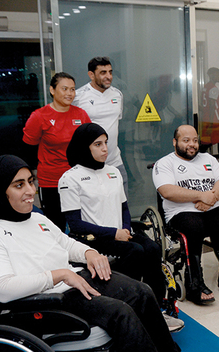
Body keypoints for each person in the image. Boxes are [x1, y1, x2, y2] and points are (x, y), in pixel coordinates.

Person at [0, 155, 205, 352]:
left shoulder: (36, 219)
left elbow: (66, 244)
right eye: (19, 185)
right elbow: (1, 288)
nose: (31, 191)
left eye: (31, 182)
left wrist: (89, 253)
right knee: (120, 312)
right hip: (40, 304)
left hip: (70, 283)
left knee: (142, 293)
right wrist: (59, 275)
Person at [59, 123, 183, 332]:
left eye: (106, 143)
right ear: (84, 147)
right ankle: (129, 308)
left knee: (152, 248)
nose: (105, 148)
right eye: (98, 144)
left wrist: (124, 230)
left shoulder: (114, 172)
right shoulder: (70, 178)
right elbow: (75, 224)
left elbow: (124, 207)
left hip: (119, 234)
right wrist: (114, 233)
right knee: (135, 251)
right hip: (92, 238)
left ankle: (155, 309)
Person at [153, 125, 219, 304]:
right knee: (194, 227)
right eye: (186, 140)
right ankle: (194, 282)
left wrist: (211, 199)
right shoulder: (164, 163)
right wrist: (201, 196)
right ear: (175, 142)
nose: (192, 144)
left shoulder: (208, 158)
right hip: (181, 211)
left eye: (195, 140)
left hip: (211, 207)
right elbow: (167, 191)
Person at [22, 72, 91, 230]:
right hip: (52, 181)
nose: (69, 93)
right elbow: (28, 148)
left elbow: (89, 144)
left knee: (82, 224)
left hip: (78, 179)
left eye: (72, 89)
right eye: (64, 89)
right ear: (52, 90)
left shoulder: (80, 114)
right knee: (55, 226)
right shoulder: (39, 116)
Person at [72, 56, 128, 197]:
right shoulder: (78, 97)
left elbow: (115, 123)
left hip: (115, 162)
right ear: (91, 75)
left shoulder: (117, 94)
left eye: (110, 72)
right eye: (103, 72)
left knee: (122, 204)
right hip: (89, 165)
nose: (108, 76)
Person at [198, 67, 219, 162]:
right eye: (217, 74)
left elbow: (203, 106)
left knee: (206, 142)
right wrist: (211, 124)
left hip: (206, 118)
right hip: (215, 120)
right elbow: (211, 107)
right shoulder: (214, 89)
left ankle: (196, 160)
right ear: (212, 75)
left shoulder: (205, 87)